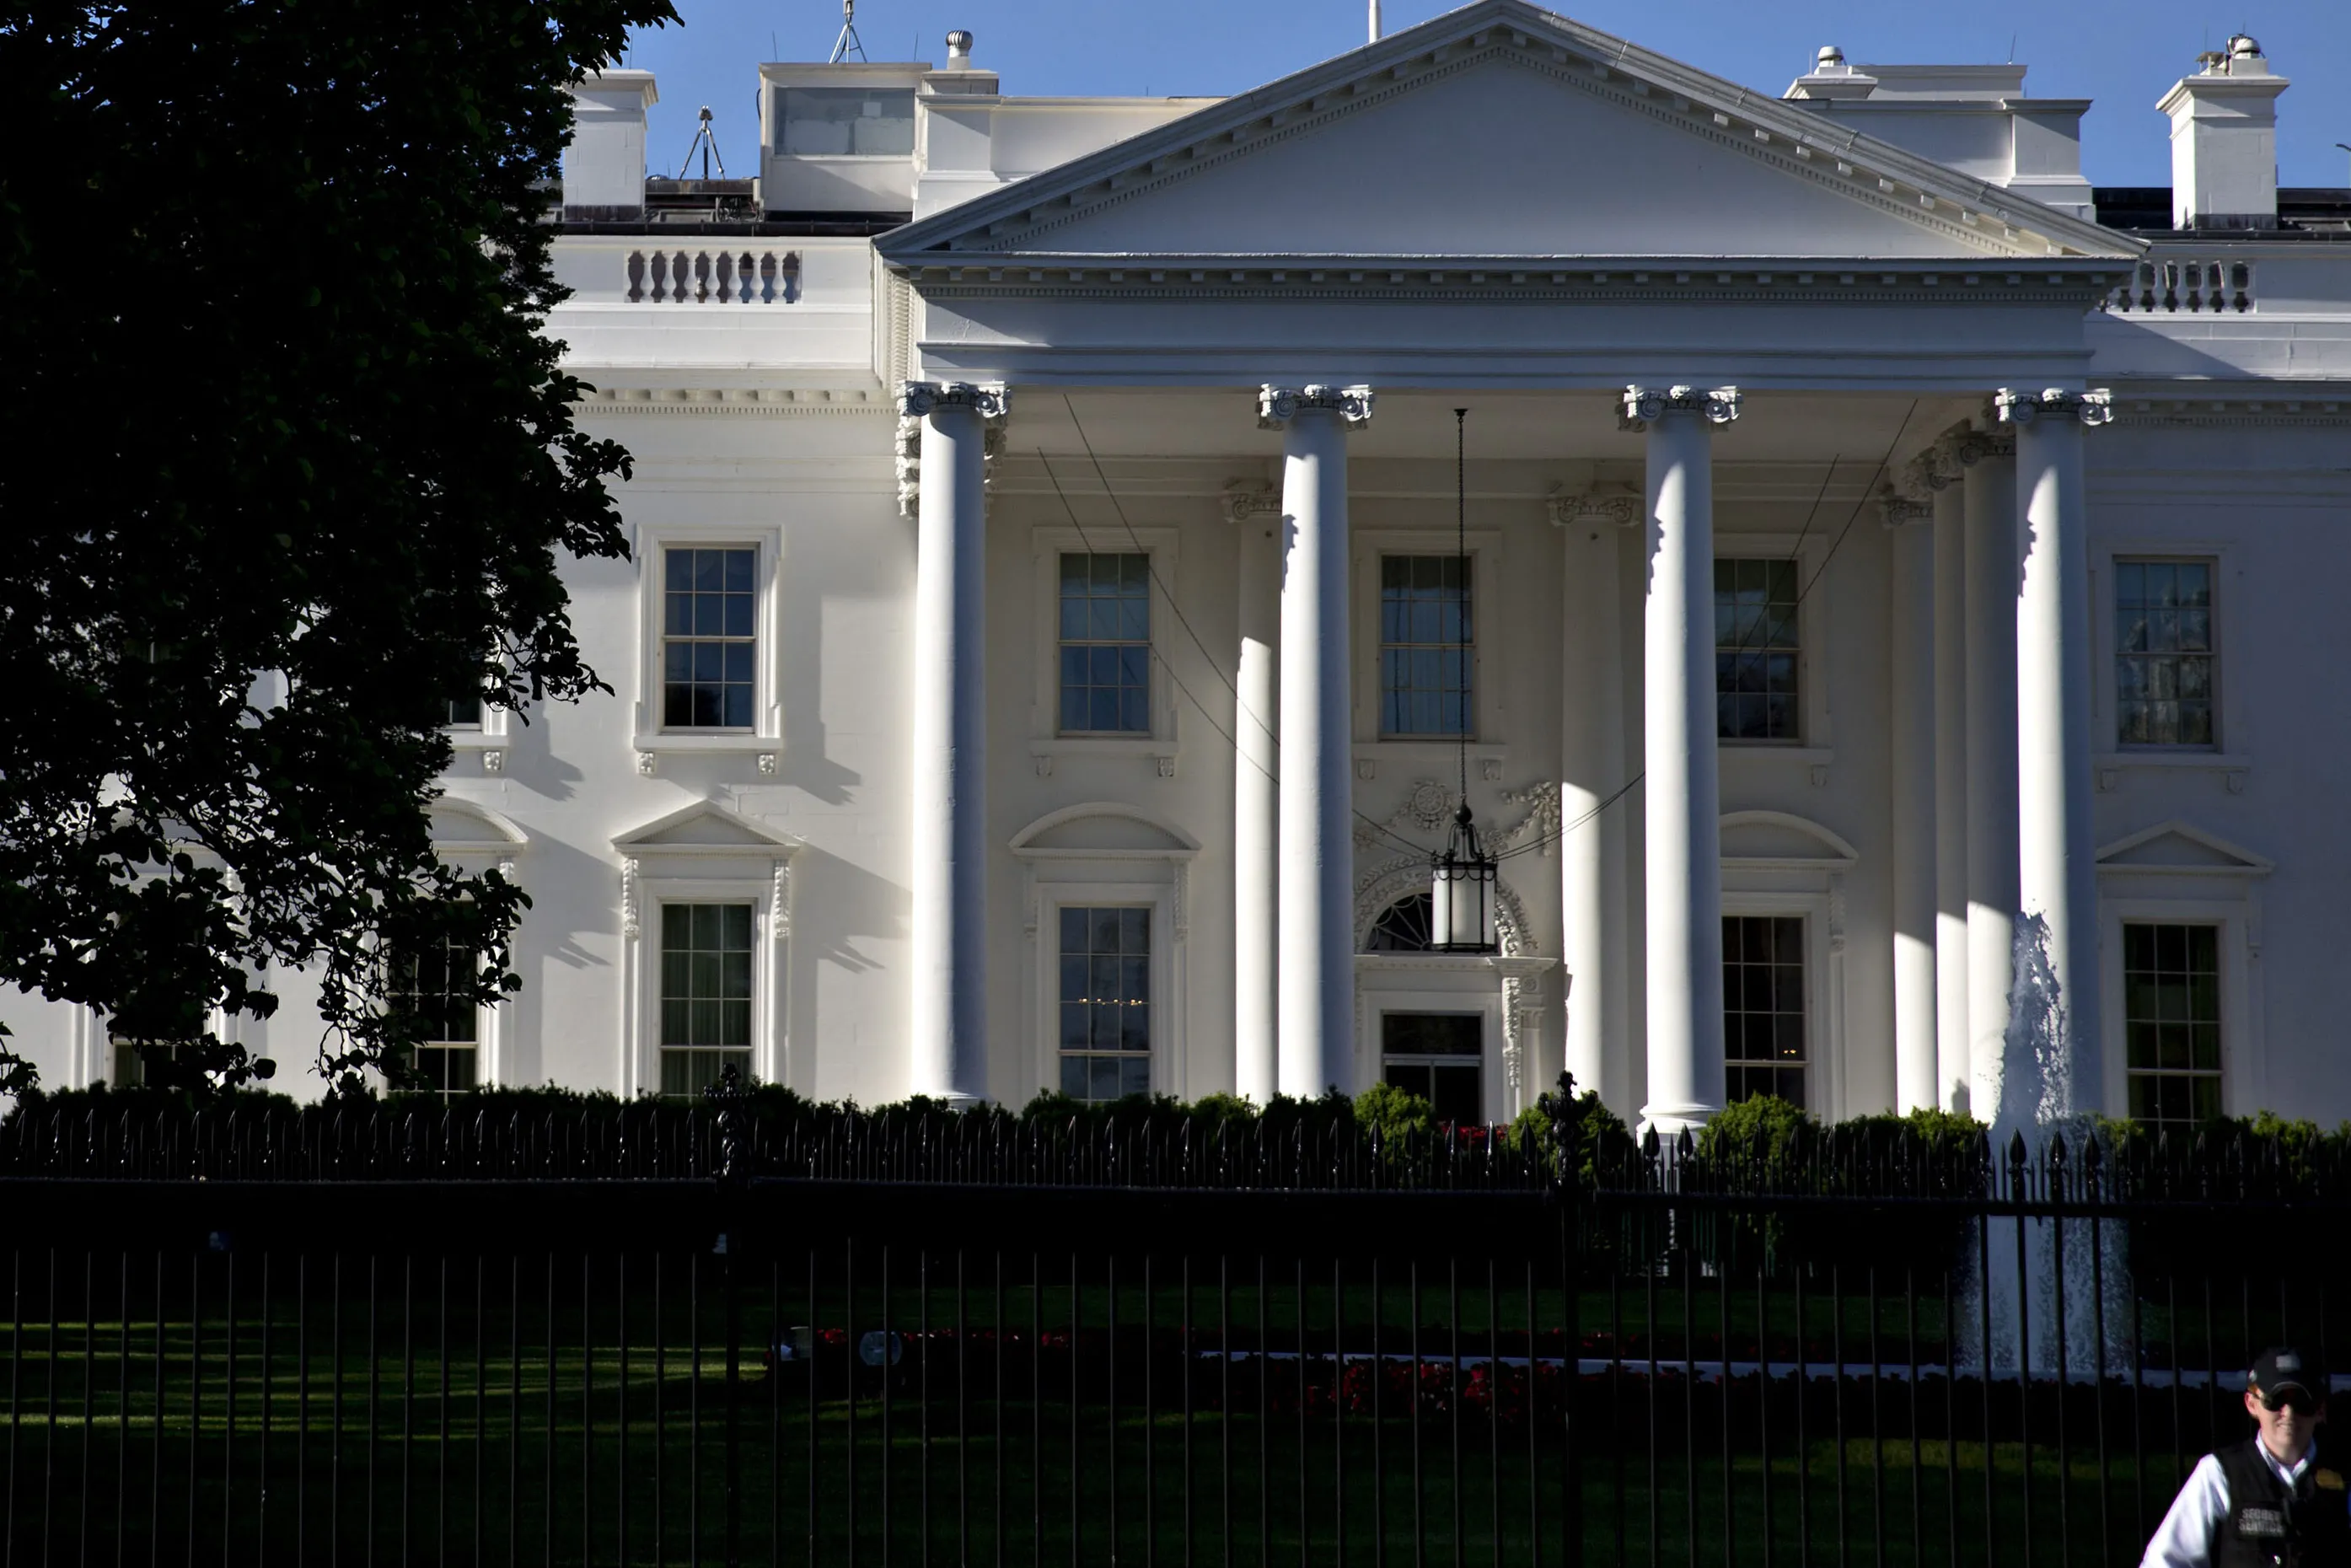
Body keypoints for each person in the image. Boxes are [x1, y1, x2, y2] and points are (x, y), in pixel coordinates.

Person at [2144, 1346, 2349, 1567]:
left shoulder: (2346, 1473)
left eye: (2302, 1402)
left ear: (2320, 1409)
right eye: (2275, 1400)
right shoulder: (2220, 1472)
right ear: (2252, 1404)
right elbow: (2165, 1560)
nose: (2288, 1413)